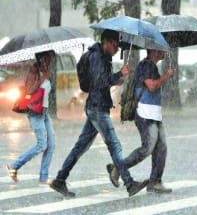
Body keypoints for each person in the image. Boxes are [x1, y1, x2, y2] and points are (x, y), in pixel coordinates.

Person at [49, 29, 148, 197]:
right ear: (106, 42)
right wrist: (118, 74)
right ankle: (129, 183)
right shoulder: (96, 57)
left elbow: (102, 81)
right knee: (114, 145)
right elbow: (99, 81)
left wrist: (116, 79)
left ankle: (60, 180)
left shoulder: (103, 57)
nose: (117, 49)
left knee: (80, 147)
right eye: (115, 45)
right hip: (97, 108)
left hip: (96, 106)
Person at [106, 49, 174, 193]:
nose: (164, 52)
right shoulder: (145, 66)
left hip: (154, 114)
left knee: (161, 148)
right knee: (147, 148)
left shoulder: (153, 66)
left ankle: (155, 182)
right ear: (153, 51)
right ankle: (118, 167)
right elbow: (151, 86)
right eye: (161, 49)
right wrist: (166, 76)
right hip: (144, 113)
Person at [6, 50, 56, 184]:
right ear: (41, 58)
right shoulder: (34, 70)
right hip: (34, 112)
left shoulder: (47, 71)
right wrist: (42, 79)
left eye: (51, 57)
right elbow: (29, 90)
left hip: (44, 112)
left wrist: (47, 77)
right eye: (48, 57)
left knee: (51, 145)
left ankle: (43, 177)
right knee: (41, 145)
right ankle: (14, 166)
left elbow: (47, 93)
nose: (50, 60)